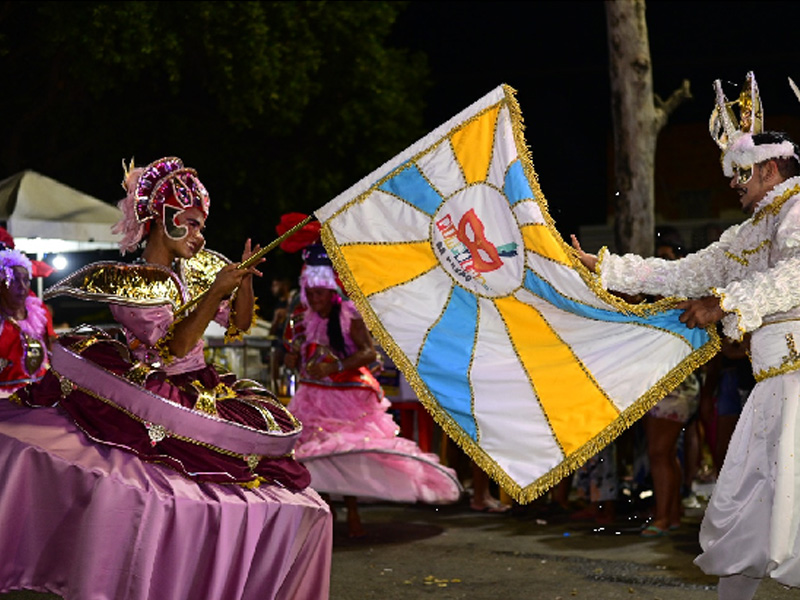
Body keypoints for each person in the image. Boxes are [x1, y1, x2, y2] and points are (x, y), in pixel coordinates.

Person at [0, 157, 332, 599]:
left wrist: (244, 281)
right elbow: (169, 349)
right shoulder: (133, 283)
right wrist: (216, 291)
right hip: (151, 384)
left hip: (202, 383)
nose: (198, 236)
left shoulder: (198, 270)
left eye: (201, 226)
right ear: (159, 222)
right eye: (189, 224)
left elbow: (239, 324)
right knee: (153, 489)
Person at [572, 72, 800, 598]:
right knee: (743, 515)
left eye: (740, 173)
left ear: (769, 169)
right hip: (771, 391)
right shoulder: (747, 233)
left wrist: (725, 302)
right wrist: (603, 268)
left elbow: (791, 277)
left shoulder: (795, 212)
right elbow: (680, 274)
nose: (732, 184)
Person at [284, 238, 462, 538]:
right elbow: (300, 355)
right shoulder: (305, 319)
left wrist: (336, 366)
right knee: (313, 456)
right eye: (309, 293)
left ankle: (352, 511)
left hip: (348, 398)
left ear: (331, 292)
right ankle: (327, 511)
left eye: (318, 294)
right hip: (312, 395)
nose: (313, 299)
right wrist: (294, 358)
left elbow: (369, 354)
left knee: (346, 453)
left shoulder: (350, 314)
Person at [0, 246, 53, 397]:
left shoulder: (38, 311)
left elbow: (52, 345)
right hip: (5, 399)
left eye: (26, 280)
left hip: (40, 394)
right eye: (15, 280)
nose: (22, 287)